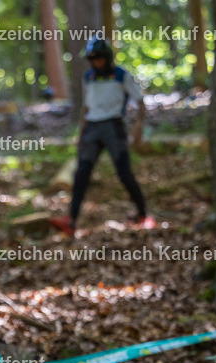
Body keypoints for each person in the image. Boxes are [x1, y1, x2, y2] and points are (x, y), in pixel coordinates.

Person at [50, 38, 153, 237]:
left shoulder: (121, 75)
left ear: (107, 58)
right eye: (93, 59)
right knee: (81, 174)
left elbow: (140, 102)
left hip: (114, 127)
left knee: (124, 173)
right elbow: (86, 106)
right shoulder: (88, 77)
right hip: (92, 128)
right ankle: (71, 220)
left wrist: (138, 127)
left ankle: (143, 215)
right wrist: (81, 132)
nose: (97, 62)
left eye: (99, 58)